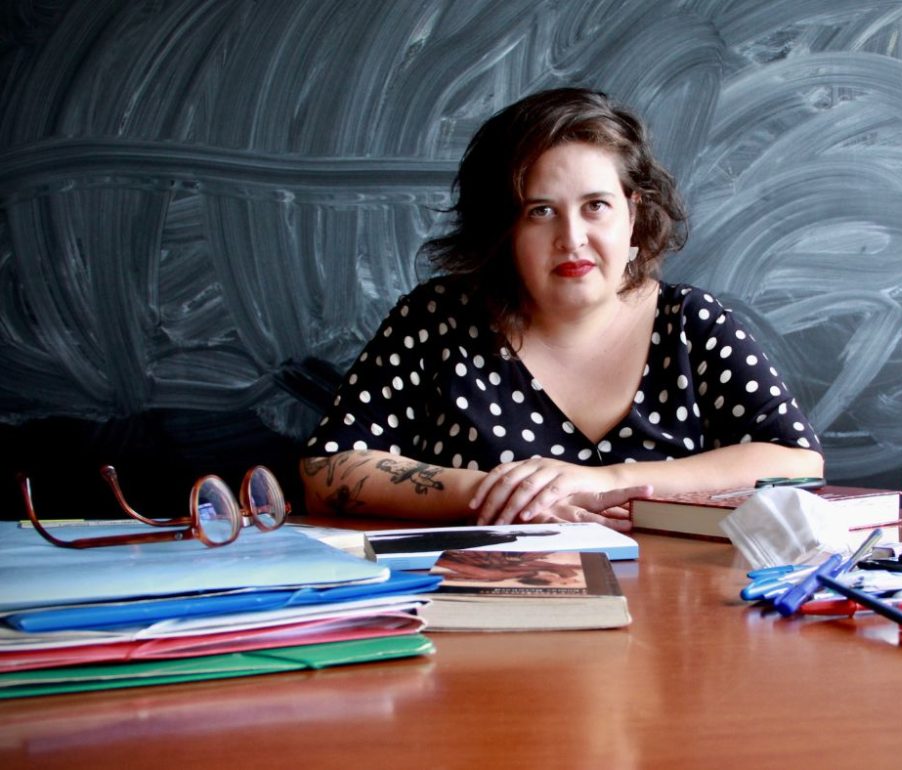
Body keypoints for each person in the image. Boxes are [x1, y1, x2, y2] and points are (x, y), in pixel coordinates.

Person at [300, 87, 823, 531]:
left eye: (596, 206)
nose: (572, 238)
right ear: (504, 228)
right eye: (541, 211)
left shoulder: (689, 323)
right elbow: (326, 471)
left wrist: (604, 481)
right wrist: (501, 494)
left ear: (632, 212)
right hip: (487, 604)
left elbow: (798, 462)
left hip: (675, 607)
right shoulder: (437, 321)